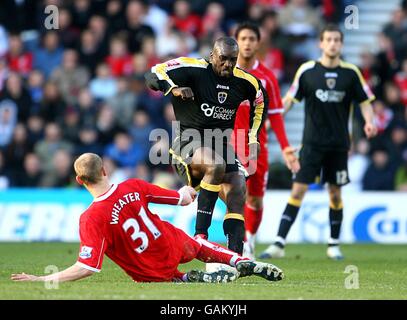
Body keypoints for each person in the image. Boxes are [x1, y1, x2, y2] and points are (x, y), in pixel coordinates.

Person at [11, 153, 284, 283]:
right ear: (105, 171)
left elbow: (87, 267)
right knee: (199, 246)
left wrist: (40, 279)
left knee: (166, 277)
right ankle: (240, 260)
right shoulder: (132, 186)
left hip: (149, 269)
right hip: (169, 243)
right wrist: (192, 187)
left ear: (79, 181)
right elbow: (182, 198)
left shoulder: (91, 218)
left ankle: (187, 279)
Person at [259, 24, 378, 260]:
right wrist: (274, 120)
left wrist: (369, 121)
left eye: (337, 40)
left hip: (339, 145)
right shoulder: (307, 71)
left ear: (341, 44)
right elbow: (290, 99)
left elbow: (365, 101)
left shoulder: (351, 73)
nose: (333, 43)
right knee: (298, 190)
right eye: (329, 40)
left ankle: (333, 245)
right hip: (311, 144)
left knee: (335, 194)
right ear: (321, 43)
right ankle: (279, 244)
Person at [145, 37, 268, 256]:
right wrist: (173, 89)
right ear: (212, 56)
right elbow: (153, 73)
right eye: (223, 59)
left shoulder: (245, 81)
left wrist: (252, 137)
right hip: (186, 143)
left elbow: (260, 101)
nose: (228, 64)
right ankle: (200, 237)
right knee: (216, 165)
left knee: (239, 187)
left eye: (233, 60)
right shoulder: (193, 68)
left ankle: (236, 256)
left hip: (220, 144)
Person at [232, 22, 300, 259]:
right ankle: (238, 243)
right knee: (233, 195)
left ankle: (249, 238)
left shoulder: (267, 77)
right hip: (229, 145)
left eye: (252, 39)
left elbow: (276, 117)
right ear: (236, 42)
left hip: (256, 147)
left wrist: (286, 148)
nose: (248, 43)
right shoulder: (225, 72)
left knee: (255, 200)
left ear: (258, 43)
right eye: (243, 38)